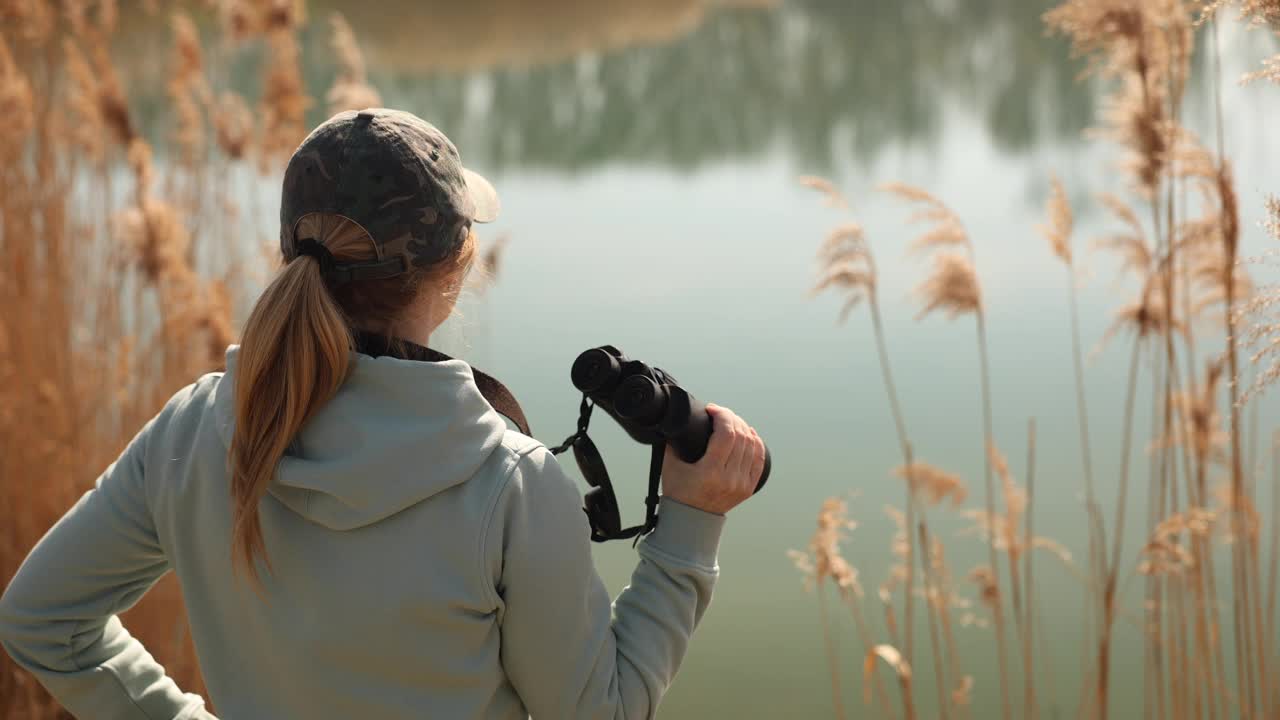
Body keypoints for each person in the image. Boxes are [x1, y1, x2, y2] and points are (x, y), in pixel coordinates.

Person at [0, 108, 767, 719]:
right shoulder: (509, 483)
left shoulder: (193, 429)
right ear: (456, 266)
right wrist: (689, 529)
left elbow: (41, 620)